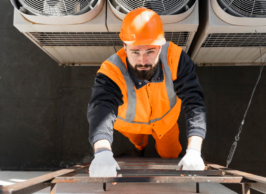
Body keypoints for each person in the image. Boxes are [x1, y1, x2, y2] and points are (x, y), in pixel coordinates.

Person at [87, 7, 207, 177]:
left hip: (166, 122)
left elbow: (194, 102)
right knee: (138, 141)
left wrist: (194, 149)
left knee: (171, 153)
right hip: (131, 125)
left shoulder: (176, 58)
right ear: (125, 47)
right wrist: (102, 151)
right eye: (135, 52)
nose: (142, 61)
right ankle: (139, 148)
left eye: (150, 51)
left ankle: (150, 150)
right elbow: (101, 108)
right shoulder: (111, 71)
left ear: (160, 46)